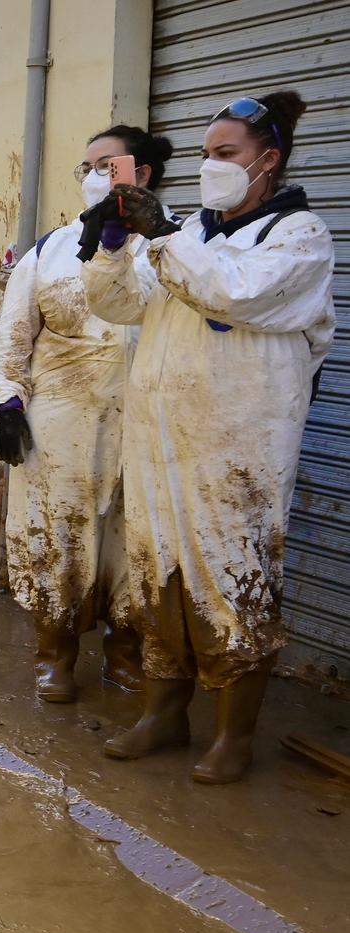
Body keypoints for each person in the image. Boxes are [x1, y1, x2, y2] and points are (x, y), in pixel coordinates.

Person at [80, 91, 334, 784]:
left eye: (227, 154)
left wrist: (158, 235)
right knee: (158, 574)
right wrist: (109, 249)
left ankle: (233, 735)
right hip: (160, 439)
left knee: (234, 580)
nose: (210, 165)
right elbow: (118, 301)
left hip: (237, 448)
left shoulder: (300, 237)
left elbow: (236, 293)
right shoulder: (190, 232)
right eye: (204, 154)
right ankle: (164, 714)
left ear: (268, 160)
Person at [0, 125, 170, 704]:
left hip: (147, 421)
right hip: (62, 423)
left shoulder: (175, 246)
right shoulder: (49, 250)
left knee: (134, 541)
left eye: (106, 165)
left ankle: (125, 654)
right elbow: (13, 338)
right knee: (58, 538)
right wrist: (6, 404)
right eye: (86, 166)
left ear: (140, 175)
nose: (94, 176)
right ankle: (55, 657)